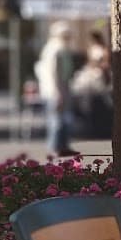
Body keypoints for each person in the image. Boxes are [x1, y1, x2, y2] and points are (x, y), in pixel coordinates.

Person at [35, 21, 79, 159]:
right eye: (66, 35)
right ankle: (54, 147)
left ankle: (63, 146)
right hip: (55, 89)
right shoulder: (55, 49)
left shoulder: (61, 48)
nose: (69, 38)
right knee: (57, 119)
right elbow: (53, 73)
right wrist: (57, 92)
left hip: (63, 86)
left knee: (65, 118)